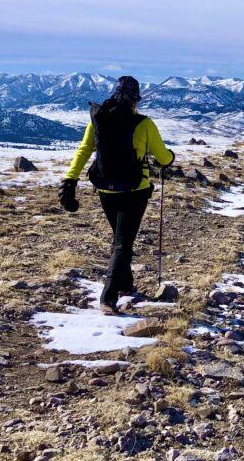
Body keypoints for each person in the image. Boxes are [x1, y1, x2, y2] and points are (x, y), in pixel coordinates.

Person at [58, 75, 175, 314]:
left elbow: (84, 150)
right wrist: (170, 157)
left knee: (121, 239)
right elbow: (163, 158)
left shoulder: (98, 118)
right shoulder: (143, 123)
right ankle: (108, 297)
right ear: (136, 98)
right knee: (123, 243)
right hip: (135, 190)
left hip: (105, 188)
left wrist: (70, 179)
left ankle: (125, 285)